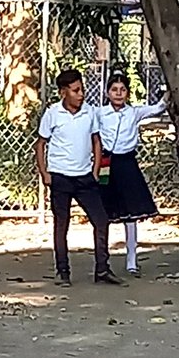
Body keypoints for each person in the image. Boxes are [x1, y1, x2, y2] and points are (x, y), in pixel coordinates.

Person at [35, 69, 124, 287]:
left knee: (101, 221)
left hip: (85, 178)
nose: (81, 94)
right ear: (63, 92)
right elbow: (40, 144)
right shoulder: (53, 114)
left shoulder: (89, 113)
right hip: (60, 177)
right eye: (75, 91)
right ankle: (62, 271)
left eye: (82, 89)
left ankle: (102, 269)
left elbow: (96, 141)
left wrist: (95, 171)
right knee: (61, 225)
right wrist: (45, 173)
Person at [97, 73, 166, 276]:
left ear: (128, 93)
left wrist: (170, 91)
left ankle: (131, 260)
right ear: (107, 92)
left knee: (131, 213)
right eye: (114, 90)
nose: (118, 94)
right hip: (106, 163)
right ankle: (102, 259)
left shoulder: (134, 112)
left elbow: (159, 108)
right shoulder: (99, 113)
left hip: (127, 163)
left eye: (122, 90)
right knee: (105, 210)